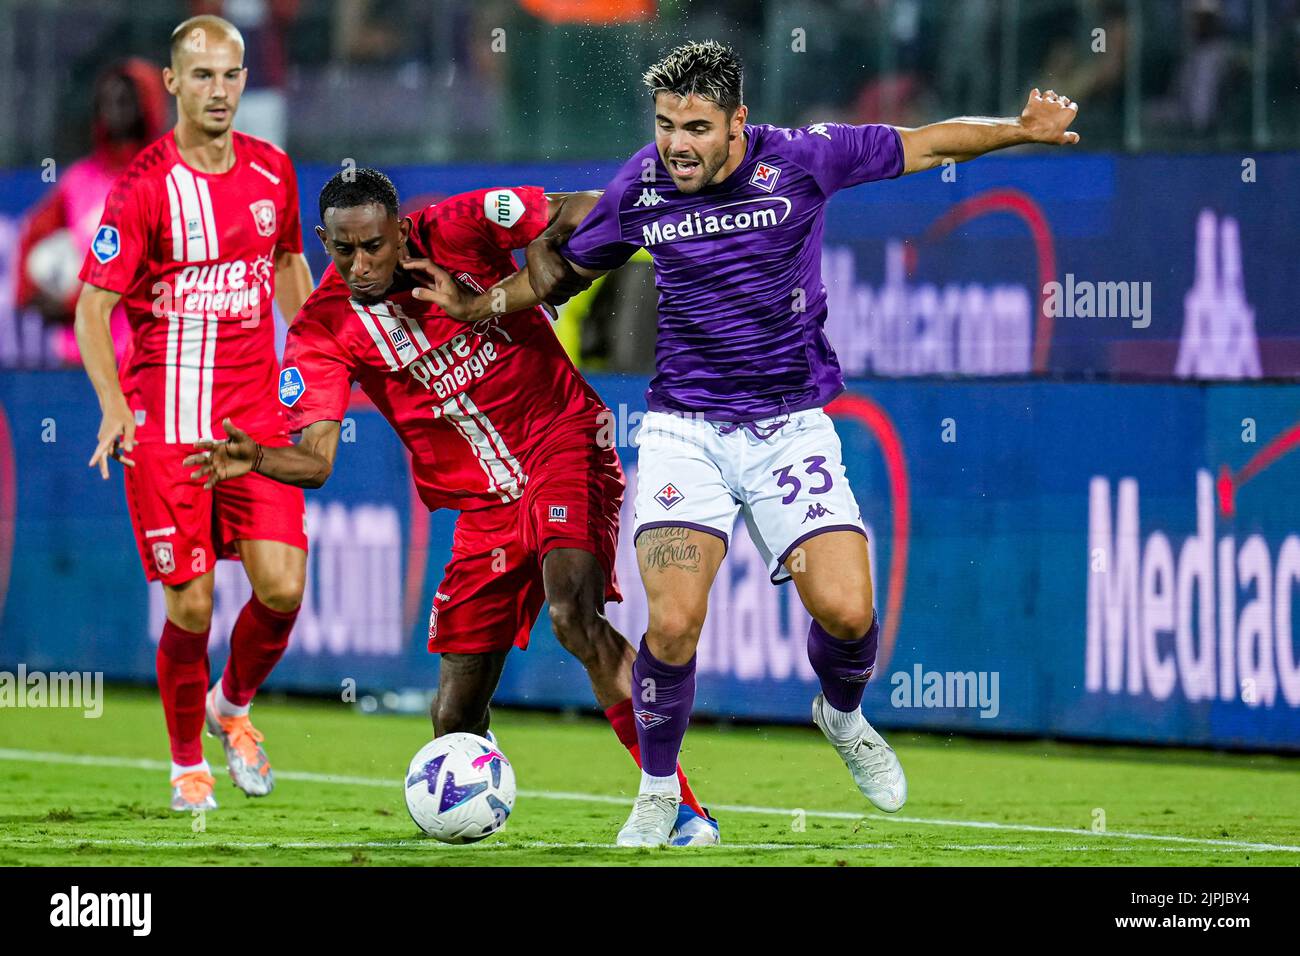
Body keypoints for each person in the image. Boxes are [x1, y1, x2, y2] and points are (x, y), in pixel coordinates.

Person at [524, 40, 1080, 846]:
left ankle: (843, 717)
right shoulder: (644, 183)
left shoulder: (806, 159)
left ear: (737, 122)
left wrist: (1018, 130)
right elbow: (562, 267)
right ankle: (658, 792)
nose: (677, 142)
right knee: (673, 625)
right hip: (686, 428)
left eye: (697, 126)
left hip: (788, 428)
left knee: (849, 613)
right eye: (666, 123)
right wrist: (481, 305)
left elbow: (925, 144)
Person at [186, 168, 720, 845]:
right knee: (453, 718)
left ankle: (674, 804)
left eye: (374, 246)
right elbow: (316, 461)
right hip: (483, 509)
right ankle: (471, 807)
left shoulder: (462, 225)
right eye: (342, 250)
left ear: (402, 230)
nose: (360, 264)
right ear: (323, 243)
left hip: (561, 440)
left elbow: (586, 207)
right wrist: (256, 457)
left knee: (572, 615)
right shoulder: (322, 329)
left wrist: (540, 250)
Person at [73, 15, 315, 812]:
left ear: (246, 80)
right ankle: (187, 766)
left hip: (252, 420)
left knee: (282, 587)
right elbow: (92, 307)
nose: (220, 91)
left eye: (232, 75)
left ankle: (231, 707)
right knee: (194, 601)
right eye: (202, 76)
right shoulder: (143, 186)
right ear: (173, 83)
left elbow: (287, 264)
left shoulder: (273, 172)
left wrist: (314, 370)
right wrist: (114, 406)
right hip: (168, 424)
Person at [17, 59, 166, 365]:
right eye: (105, 101)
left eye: (125, 100)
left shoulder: (162, 180)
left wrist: (75, 303)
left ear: (148, 105)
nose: (113, 109)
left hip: (143, 359)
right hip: (78, 358)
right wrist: (32, 293)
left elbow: (147, 264)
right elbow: (33, 233)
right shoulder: (78, 180)